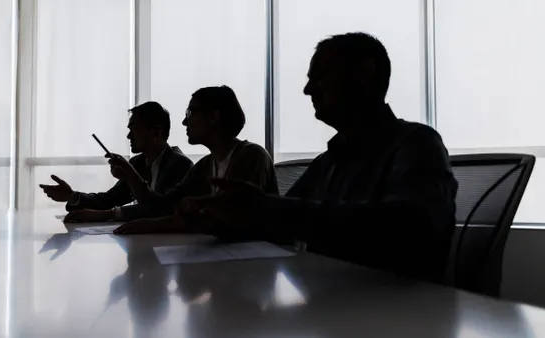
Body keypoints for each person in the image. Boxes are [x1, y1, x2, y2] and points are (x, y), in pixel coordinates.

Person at [187, 33, 458, 284]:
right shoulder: (328, 161)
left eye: (319, 76)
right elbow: (278, 221)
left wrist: (265, 210)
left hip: (401, 313)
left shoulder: (417, 143)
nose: (307, 89)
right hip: (336, 304)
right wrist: (225, 221)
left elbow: (410, 227)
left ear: (364, 72)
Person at [65, 85, 278, 229]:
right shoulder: (205, 165)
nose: (185, 123)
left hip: (254, 264)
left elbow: (232, 221)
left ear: (213, 117)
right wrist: (131, 176)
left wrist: (154, 224)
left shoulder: (252, 156)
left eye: (190, 113)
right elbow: (161, 206)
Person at [40, 101, 193, 215]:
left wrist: (108, 215)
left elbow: (159, 210)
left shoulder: (180, 165)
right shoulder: (138, 163)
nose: (129, 136)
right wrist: (72, 196)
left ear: (156, 132)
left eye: (134, 129)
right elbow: (109, 199)